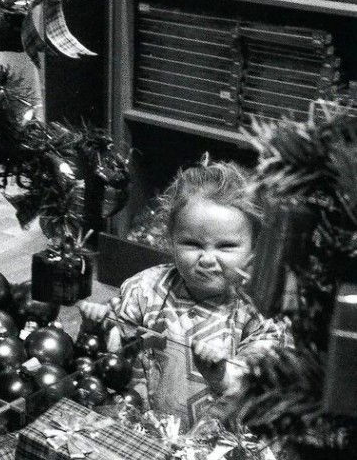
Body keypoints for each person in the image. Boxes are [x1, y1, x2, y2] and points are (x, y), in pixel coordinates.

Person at [80, 161, 289, 430]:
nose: (207, 259)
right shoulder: (144, 288)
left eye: (226, 246)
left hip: (214, 450)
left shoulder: (258, 312)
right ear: (170, 239)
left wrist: (222, 375)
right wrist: (97, 325)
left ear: (253, 250)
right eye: (192, 243)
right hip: (139, 428)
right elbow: (112, 355)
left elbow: (259, 381)